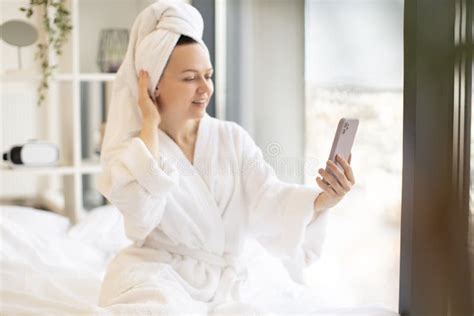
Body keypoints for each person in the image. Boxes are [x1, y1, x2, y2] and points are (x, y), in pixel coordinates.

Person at [97, 1, 355, 314]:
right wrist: (149, 123)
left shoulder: (230, 137)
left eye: (209, 75)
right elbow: (139, 221)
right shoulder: (135, 152)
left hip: (227, 277)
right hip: (160, 272)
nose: (205, 88)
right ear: (153, 85)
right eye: (190, 78)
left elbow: (268, 197)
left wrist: (322, 200)